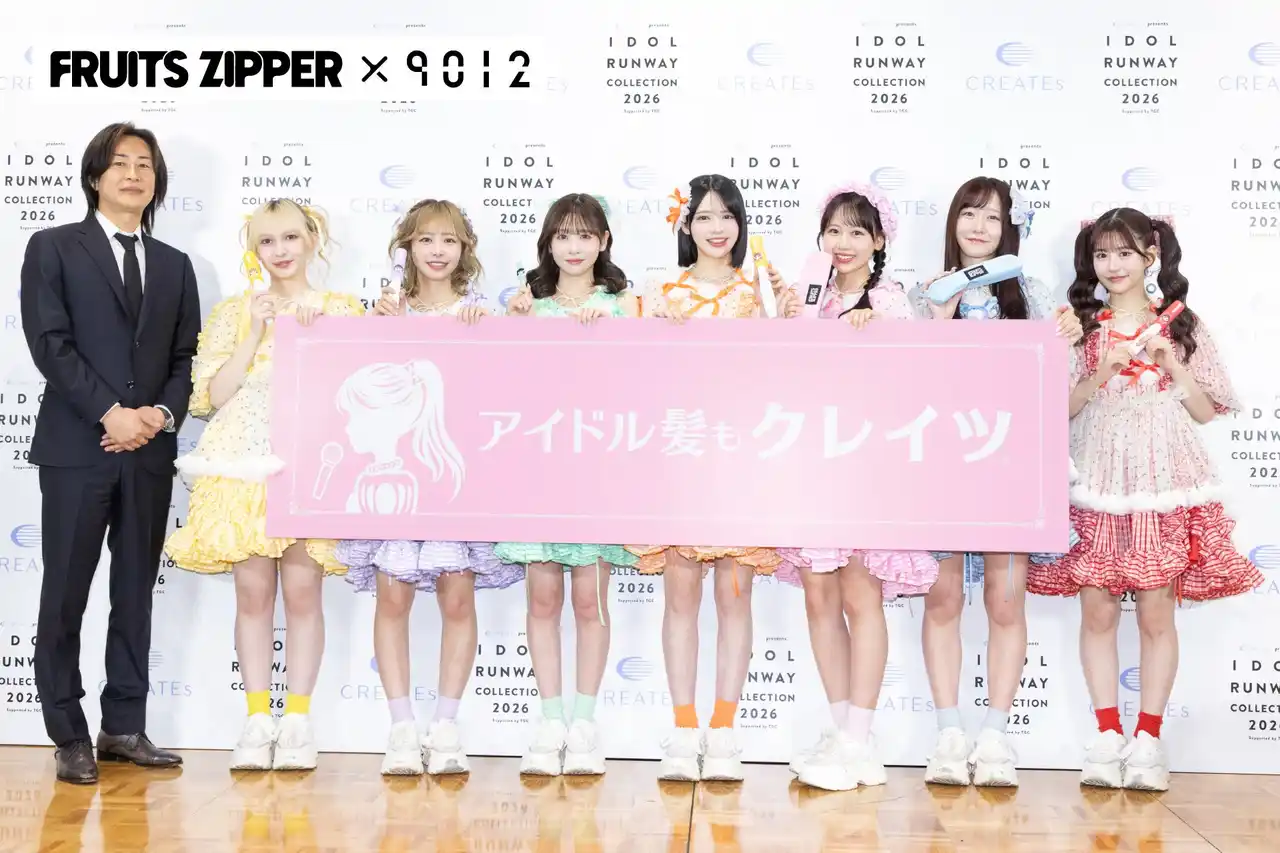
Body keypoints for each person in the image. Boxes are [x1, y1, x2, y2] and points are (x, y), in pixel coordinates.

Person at [19, 121, 200, 784]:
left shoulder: (175, 264)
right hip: (78, 448)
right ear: (95, 175)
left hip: (148, 452)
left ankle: (123, 725)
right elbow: (50, 342)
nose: (133, 174)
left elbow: (184, 357)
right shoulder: (53, 247)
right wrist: (110, 412)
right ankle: (68, 732)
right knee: (65, 591)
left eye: (145, 164)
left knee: (134, 592)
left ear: (157, 181)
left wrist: (157, 416)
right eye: (120, 162)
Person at [164, 199, 363, 772]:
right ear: (254, 251)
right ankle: (256, 720)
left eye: (291, 237)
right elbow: (210, 398)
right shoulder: (234, 312)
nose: (280, 250)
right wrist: (255, 330)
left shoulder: (341, 310)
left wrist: (321, 340)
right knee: (252, 596)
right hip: (242, 463)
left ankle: (297, 720)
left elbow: (361, 390)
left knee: (303, 594)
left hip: (311, 464)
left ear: (312, 240)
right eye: (267, 241)